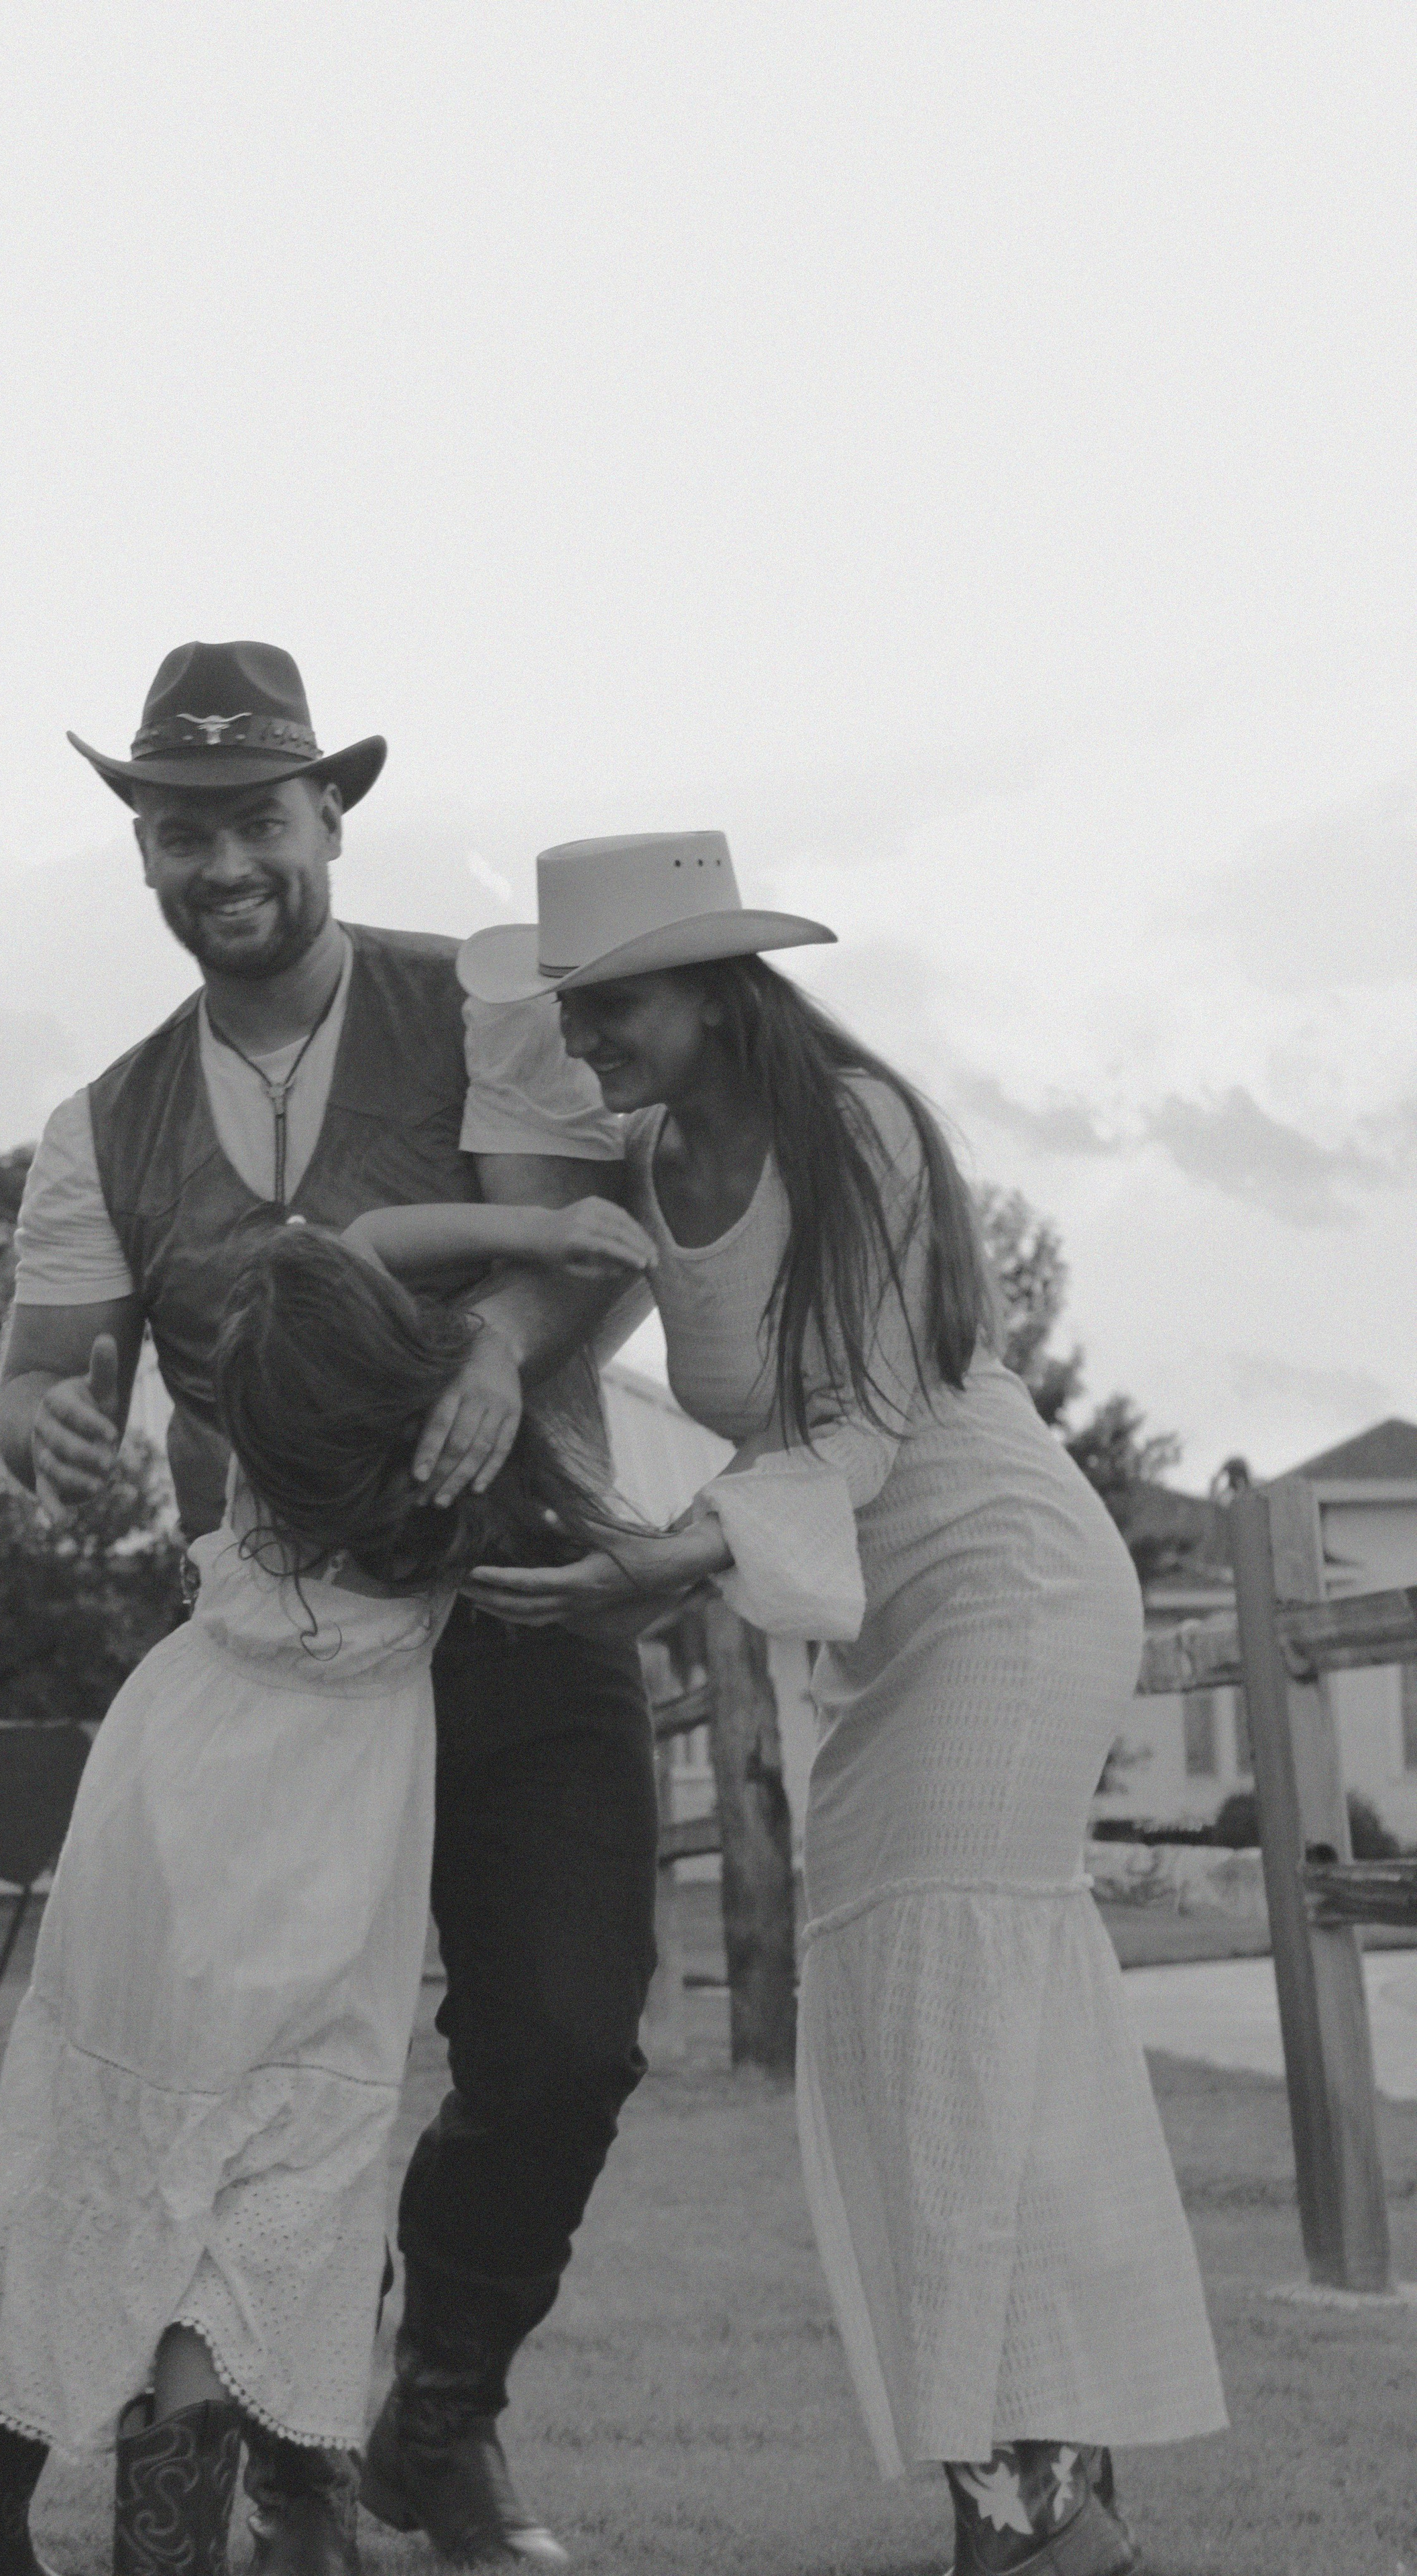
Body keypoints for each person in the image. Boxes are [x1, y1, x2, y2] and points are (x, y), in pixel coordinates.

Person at [459, 835, 1227, 2576]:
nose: (586, 1040)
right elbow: (509, 1131)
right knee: (893, 2050)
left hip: (998, 1578)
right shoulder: (641, 1172)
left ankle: (1033, 2517)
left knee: (967, 2021)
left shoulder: (858, 1131)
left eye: (616, 1005)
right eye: (572, 1008)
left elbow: (863, 1429)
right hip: (865, 1623)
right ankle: (1040, 2511)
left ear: (721, 987)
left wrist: (665, 1562)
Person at [0, 643, 659, 2573]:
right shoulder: (98, 1126)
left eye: (254, 819)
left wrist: (501, 1355)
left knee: (558, 2047)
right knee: (256, 2099)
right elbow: (38, 1381)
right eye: (178, 829)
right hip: (280, 1676)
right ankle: (272, 2456)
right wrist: (43, 1440)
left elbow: (577, 1253)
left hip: (524, 1600)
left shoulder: (492, 1005)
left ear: (328, 817)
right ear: (143, 847)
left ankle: (434, 2423)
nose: (220, 863)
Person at [0, 1202, 657, 2576]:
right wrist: (532, 1263)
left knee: (75, 2139)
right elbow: (358, 1273)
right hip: (308, 1902)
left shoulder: (255, 1484)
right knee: (253, 2208)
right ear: (409, 1401)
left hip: (156, 1829)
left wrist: (507, 1227)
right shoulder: (436, 1525)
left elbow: (352, 1242)